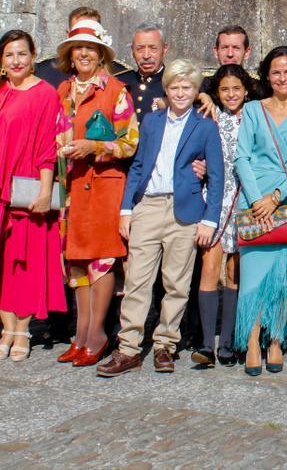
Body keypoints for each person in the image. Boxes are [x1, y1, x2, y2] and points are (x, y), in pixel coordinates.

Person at [97, 60, 224, 377]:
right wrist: (127, 209)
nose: (180, 93)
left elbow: (218, 177)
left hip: (185, 211)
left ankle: (165, 343)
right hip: (149, 206)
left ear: (196, 91)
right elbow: (138, 166)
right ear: (166, 89)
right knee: (138, 280)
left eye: (187, 87)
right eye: (175, 87)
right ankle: (128, 348)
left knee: (176, 283)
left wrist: (210, 220)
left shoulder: (205, 125)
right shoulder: (152, 122)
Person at [0, 30, 66, 362]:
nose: (16, 61)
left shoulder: (44, 94)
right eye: (10, 55)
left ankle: (22, 330)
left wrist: (44, 189)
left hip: (26, 187)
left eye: (22, 54)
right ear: (1, 60)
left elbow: (47, 146)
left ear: (33, 55)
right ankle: (5, 328)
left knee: (24, 260)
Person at [54, 19, 140, 367]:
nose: (84, 53)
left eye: (91, 48)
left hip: (102, 184)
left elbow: (129, 142)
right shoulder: (62, 91)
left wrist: (92, 146)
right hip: (70, 185)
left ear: (101, 54)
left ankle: (97, 334)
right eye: (78, 49)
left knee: (101, 259)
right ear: (71, 56)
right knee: (76, 261)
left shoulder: (115, 91)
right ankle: (81, 333)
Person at [233, 46, 287, 376]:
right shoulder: (253, 110)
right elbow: (243, 157)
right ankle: (253, 339)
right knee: (253, 277)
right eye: (275, 72)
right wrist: (258, 200)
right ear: (267, 76)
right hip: (254, 201)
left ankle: (276, 340)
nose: (282, 77)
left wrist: (278, 197)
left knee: (285, 276)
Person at [188, 64, 257, 368]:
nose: (231, 95)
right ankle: (206, 342)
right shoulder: (209, 115)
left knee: (234, 272)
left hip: (245, 198)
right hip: (215, 196)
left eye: (236, 89)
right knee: (209, 265)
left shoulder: (254, 116)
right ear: (216, 92)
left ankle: (228, 341)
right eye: (225, 89)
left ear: (246, 91)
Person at [35, 7, 131, 88]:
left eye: (91, 45)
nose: (84, 53)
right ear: (68, 35)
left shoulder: (121, 75)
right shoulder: (45, 72)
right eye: (79, 42)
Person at [196, 26, 258, 117]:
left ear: (247, 52)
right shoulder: (202, 85)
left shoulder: (258, 89)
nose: (230, 54)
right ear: (216, 51)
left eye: (236, 48)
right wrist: (201, 96)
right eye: (224, 47)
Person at [117, 21, 169, 120]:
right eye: (139, 49)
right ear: (132, 50)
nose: (146, 56)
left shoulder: (174, 83)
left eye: (153, 48)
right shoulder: (120, 81)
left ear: (164, 48)